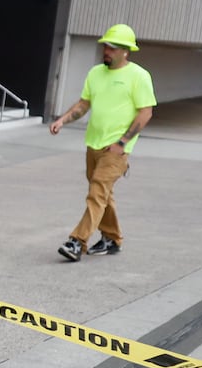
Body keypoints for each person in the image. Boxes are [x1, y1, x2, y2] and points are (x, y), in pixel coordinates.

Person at [48, 23, 155, 261]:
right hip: (93, 144)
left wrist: (123, 142)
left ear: (126, 51)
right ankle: (112, 238)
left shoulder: (138, 76)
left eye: (113, 48)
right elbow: (83, 104)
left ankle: (77, 242)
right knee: (103, 194)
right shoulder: (95, 73)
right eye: (106, 46)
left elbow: (145, 112)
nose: (107, 51)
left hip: (116, 149)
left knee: (97, 192)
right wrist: (63, 120)